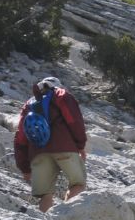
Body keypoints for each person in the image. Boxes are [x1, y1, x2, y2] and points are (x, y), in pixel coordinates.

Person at [14, 76, 87, 212]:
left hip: (38, 153)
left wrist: (24, 167)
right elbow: (74, 122)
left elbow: (20, 137)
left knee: (46, 195)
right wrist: (80, 145)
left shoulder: (29, 103)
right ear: (57, 85)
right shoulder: (61, 95)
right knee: (78, 184)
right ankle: (65, 217)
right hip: (64, 148)